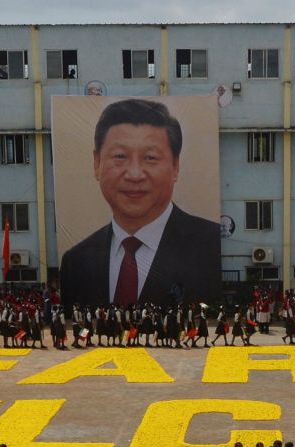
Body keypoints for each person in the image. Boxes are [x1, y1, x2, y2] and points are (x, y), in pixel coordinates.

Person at [59, 99, 222, 309]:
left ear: (175, 166)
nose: (135, 174)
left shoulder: (210, 247)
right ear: (97, 163)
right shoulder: (76, 261)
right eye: (120, 156)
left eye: (150, 157)